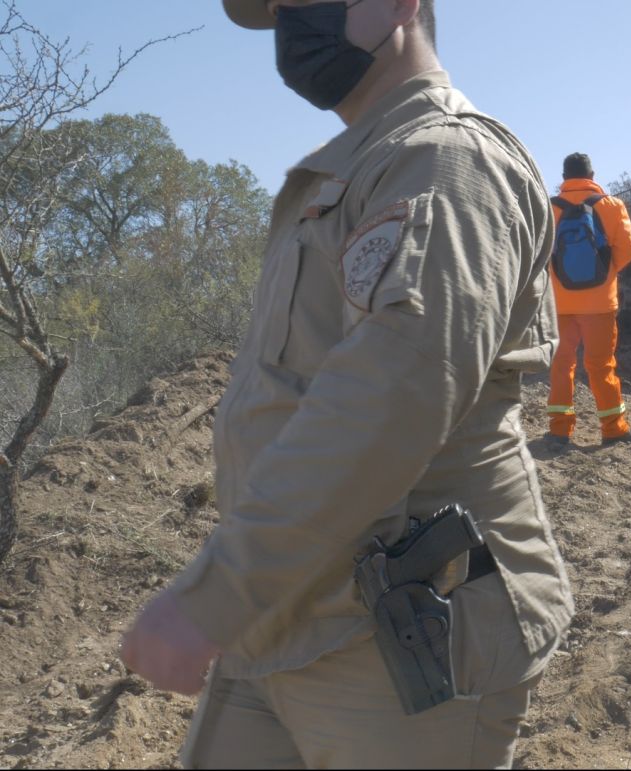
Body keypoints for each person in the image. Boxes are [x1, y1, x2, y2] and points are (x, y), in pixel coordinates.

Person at [119, 1, 573, 768]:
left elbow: (389, 398)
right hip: (285, 617)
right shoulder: (356, 166)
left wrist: (214, 598)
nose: (294, 21)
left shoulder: (447, 162)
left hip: (402, 642)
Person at [545, 153, 631, 448]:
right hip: (600, 305)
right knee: (601, 367)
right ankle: (613, 430)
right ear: (593, 174)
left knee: (561, 366)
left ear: (564, 178)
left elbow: (536, 254)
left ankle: (559, 431)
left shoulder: (548, 208)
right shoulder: (612, 206)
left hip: (560, 306)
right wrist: (607, 272)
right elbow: (628, 249)